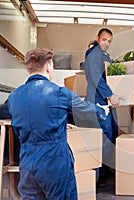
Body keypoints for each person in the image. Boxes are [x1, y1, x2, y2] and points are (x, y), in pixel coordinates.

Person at [7, 48, 110, 200]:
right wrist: (102, 111)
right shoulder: (58, 92)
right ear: (48, 66)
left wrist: (58, 124)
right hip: (54, 161)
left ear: (29, 68)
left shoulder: (13, 97)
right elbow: (86, 110)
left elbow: (31, 119)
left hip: (27, 162)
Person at [84, 28, 122, 187]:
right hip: (98, 101)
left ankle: (104, 173)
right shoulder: (93, 53)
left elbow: (111, 78)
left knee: (111, 133)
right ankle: (97, 178)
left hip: (105, 101)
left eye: (109, 41)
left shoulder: (104, 56)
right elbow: (95, 77)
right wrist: (110, 94)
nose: (106, 43)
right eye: (104, 39)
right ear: (98, 38)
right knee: (103, 137)